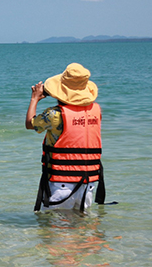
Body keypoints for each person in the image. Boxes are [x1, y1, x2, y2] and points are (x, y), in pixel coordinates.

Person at [25, 63, 106, 213]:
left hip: (61, 183)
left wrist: (35, 98)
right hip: (88, 183)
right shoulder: (96, 111)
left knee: (56, 226)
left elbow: (30, 124)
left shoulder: (55, 114)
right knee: (82, 224)